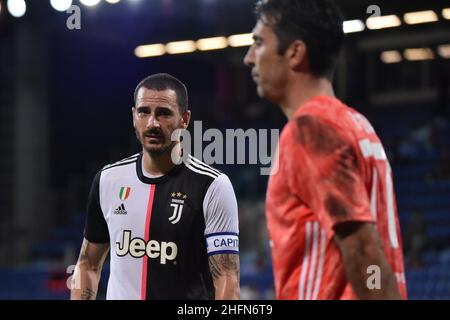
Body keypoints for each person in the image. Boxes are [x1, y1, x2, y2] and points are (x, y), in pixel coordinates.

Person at [244, 0, 407, 299]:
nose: (249, 58)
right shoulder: (356, 124)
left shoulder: (310, 130)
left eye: (258, 43)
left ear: (294, 52)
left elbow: (362, 246)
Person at [70, 73, 240, 300]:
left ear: (184, 119)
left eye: (164, 113)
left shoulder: (213, 186)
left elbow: (227, 278)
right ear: (133, 116)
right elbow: (88, 264)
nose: (152, 123)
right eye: (144, 112)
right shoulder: (107, 180)